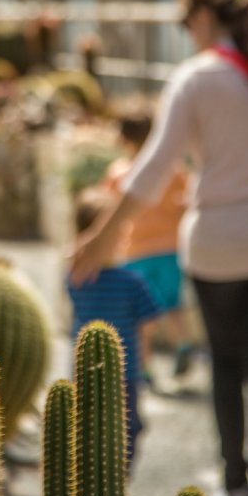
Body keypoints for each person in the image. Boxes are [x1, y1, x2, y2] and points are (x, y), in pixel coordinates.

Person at [71, 0, 248, 496]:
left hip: (219, 244)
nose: (188, 31)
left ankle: (234, 485)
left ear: (204, 16)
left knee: (227, 366)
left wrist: (98, 238)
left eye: (187, 20)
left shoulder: (197, 77)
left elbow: (150, 172)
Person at [67, 187, 161, 467]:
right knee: (119, 428)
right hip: (122, 371)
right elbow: (149, 324)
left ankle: (110, 483)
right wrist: (146, 362)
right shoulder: (131, 280)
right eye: (115, 231)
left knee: (108, 429)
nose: (121, 236)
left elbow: (147, 326)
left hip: (113, 370)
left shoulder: (74, 277)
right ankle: (111, 481)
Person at [103, 111, 194, 381]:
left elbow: (106, 207)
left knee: (141, 315)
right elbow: (186, 200)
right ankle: (184, 344)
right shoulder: (174, 170)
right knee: (173, 304)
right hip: (169, 248)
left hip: (136, 251)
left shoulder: (120, 172)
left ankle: (144, 366)